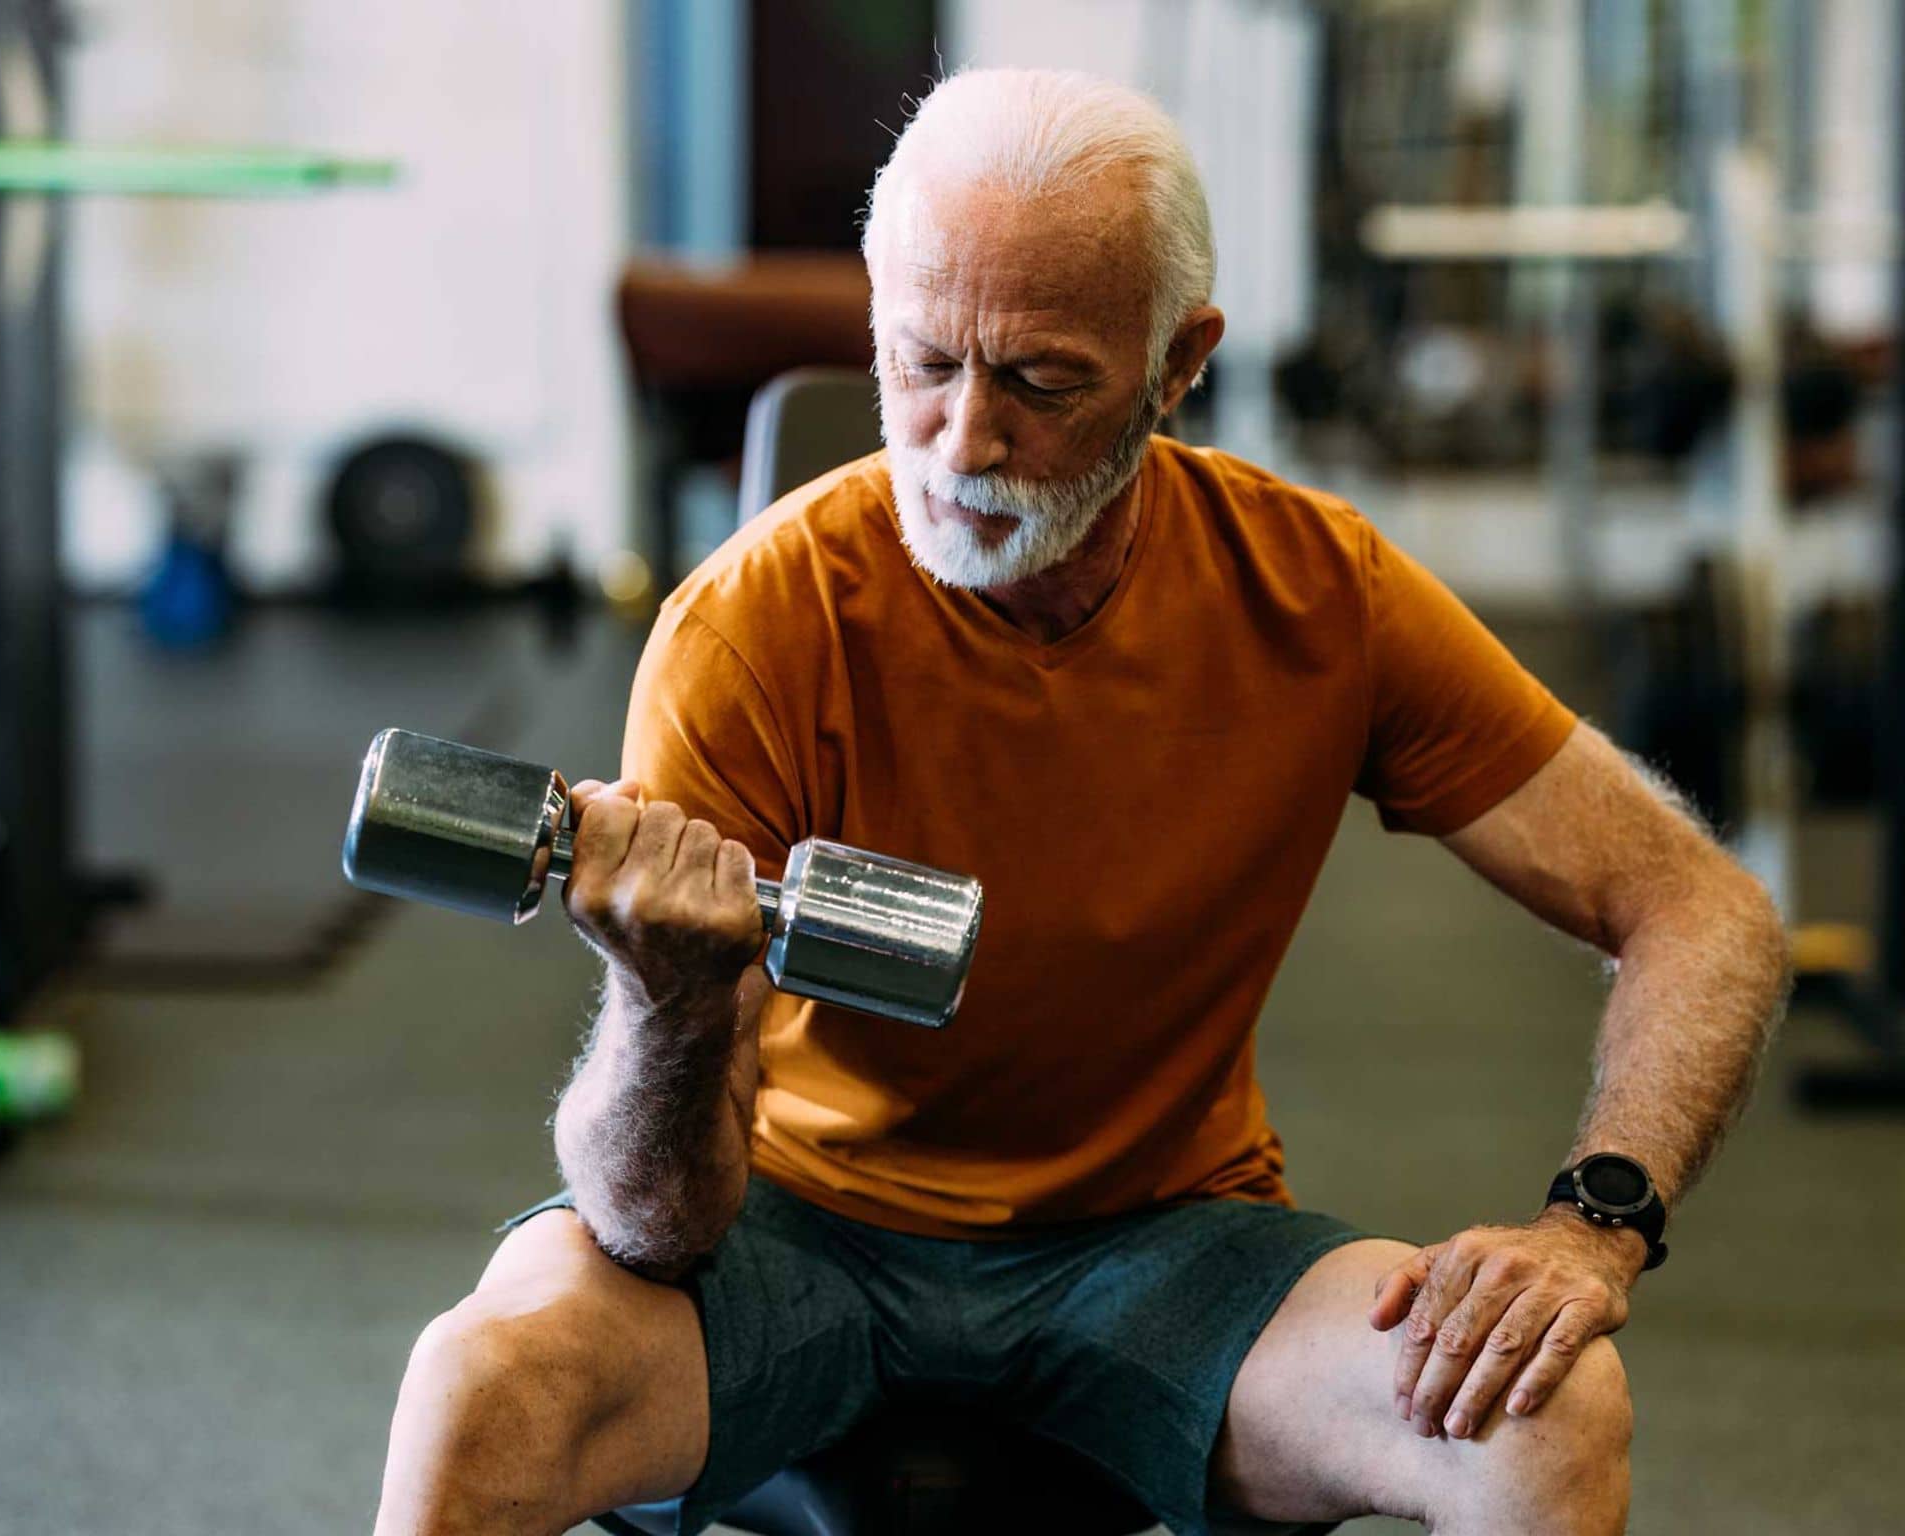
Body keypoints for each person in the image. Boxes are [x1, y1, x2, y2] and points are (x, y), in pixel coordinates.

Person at [373, 70, 1787, 1536]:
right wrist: (670, 1001)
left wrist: (1593, 1229)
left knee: (1545, 1418)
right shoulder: (756, 623)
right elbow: (658, 1221)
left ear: (1180, 364)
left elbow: (1700, 904)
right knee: (483, 1388)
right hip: (790, 1231)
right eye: (920, 363)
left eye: (1042, 383)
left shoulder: (1315, 590)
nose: (963, 441)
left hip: (1164, 1245)